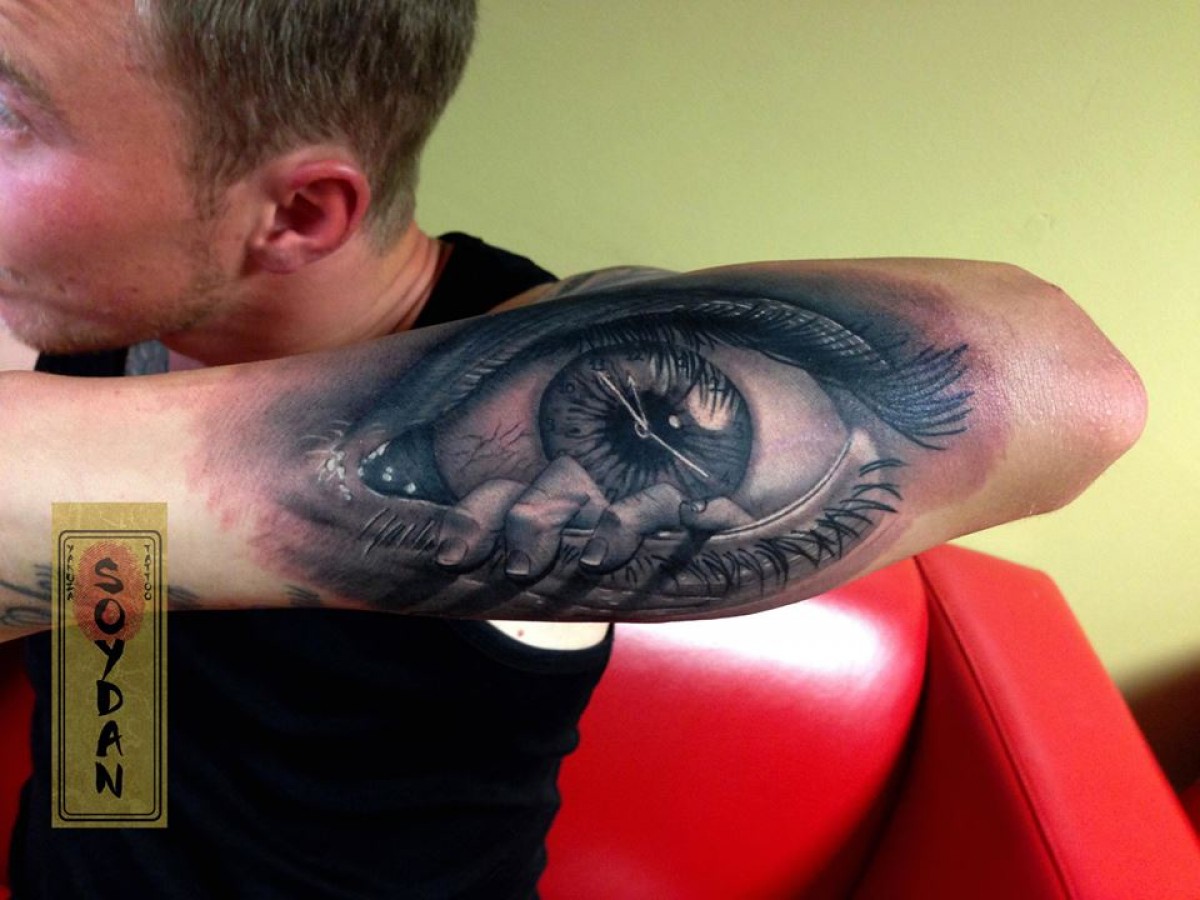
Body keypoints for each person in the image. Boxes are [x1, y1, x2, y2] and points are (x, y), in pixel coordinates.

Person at [0, 1, 1146, 897]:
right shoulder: (72, 306)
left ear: (299, 214)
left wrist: (146, 480)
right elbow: (109, 727)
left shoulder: (543, 362)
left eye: (11, 118)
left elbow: (1059, 389)